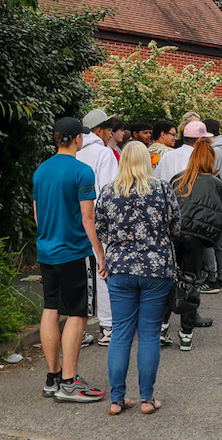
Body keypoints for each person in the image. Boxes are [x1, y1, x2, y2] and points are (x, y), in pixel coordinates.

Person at [94, 141, 180, 416]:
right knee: (149, 335)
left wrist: (119, 246)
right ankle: (147, 399)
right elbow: (176, 226)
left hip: (120, 268)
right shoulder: (162, 188)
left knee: (120, 334)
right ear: (148, 161)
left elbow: (101, 229)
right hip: (156, 269)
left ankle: (117, 399)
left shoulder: (109, 191)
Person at [33, 117, 107, 403]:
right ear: (78, 139)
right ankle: (69, 382)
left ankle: (53, 377)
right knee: (77, 313)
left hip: (47, 251)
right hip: (75, 252)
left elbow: (38, 217)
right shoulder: (82, 171)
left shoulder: (41, 170)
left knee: (51, 307)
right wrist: (99, 253)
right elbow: (88, 218)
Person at [166, 134, 222, 351]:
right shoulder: (215, 183)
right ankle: (186, 333)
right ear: (210, 160)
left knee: (169, 279)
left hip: (174, 235)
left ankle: (163, 326)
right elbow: (221, 213)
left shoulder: (177, 179)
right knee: (190, 281)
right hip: (197, 238)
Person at [76, 109, 118, 347]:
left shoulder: (73, 152)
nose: (111, 133)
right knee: (102, 272)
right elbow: (108, 191)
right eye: (109, 129)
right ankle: (107, 327)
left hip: (72, 222)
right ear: (99, 130)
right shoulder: (104, 153)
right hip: (96, 221)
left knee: (78, 275)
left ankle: (77, 330)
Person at [200, 119, 222, 294]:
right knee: (219, 241)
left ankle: (211, 279)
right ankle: (221, 278)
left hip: (212, 200)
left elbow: (208, 173)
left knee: (208, 240)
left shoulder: (214, 151)